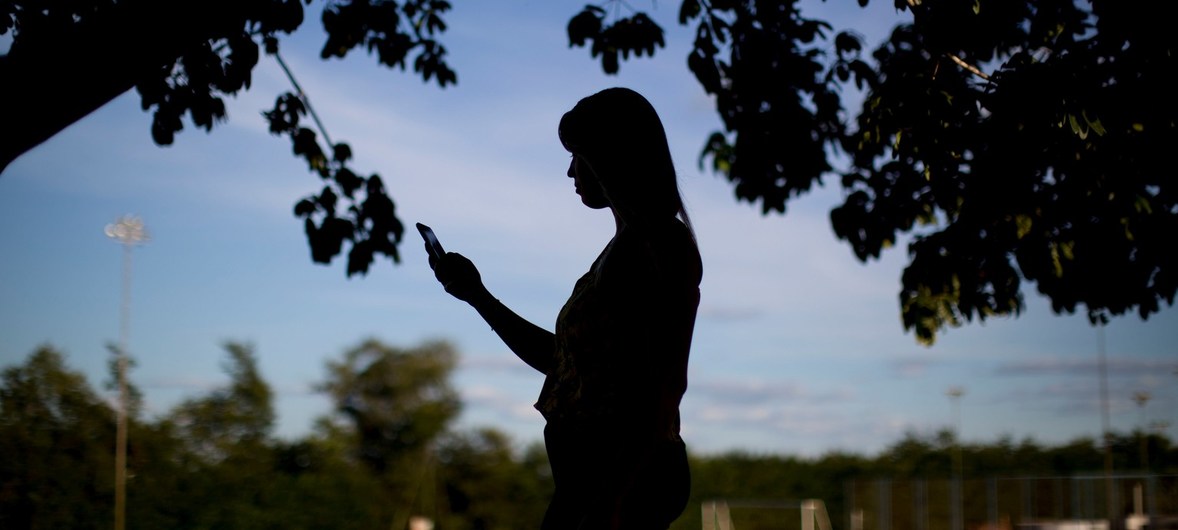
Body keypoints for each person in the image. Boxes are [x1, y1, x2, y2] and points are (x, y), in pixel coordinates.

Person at [428, 87, 702, 530]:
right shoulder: (624, 250)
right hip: (594, 483)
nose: (571, 170)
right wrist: (477, 295)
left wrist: (613, 499)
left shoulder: (660, 246)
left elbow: (663, 385)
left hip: (618, 484)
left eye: (579, 155)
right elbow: (566, 362)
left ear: (612, 159)